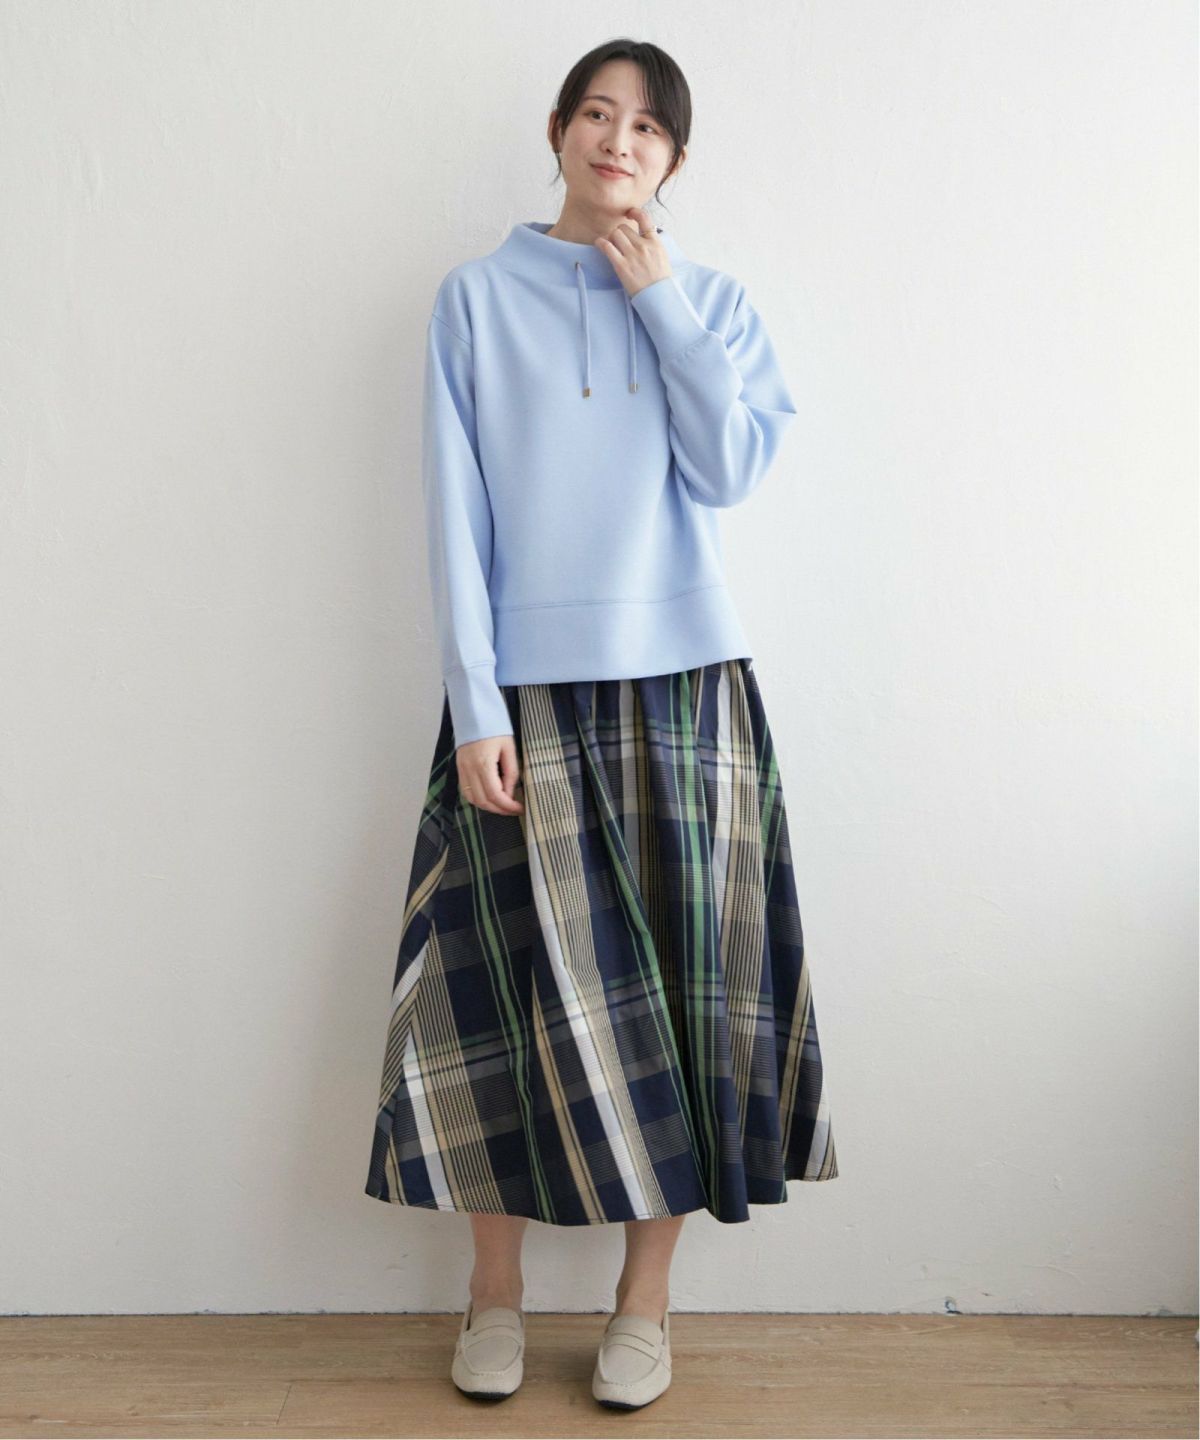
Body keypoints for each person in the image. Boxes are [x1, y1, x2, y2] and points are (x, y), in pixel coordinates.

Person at [364, 37, 839, 1411]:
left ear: (674, 158)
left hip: (689, 688)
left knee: (687, 1001)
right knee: (493, 994)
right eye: (595, 112)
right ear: (559, 130)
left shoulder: (714, 302)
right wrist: (474, 701)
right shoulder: (474, 299)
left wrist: (660, 302)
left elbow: (731, 469)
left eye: (647, 126)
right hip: (523, 698)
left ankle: (646, 1305)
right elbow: (454, 514)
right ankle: (493, 1297)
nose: (617, 139)